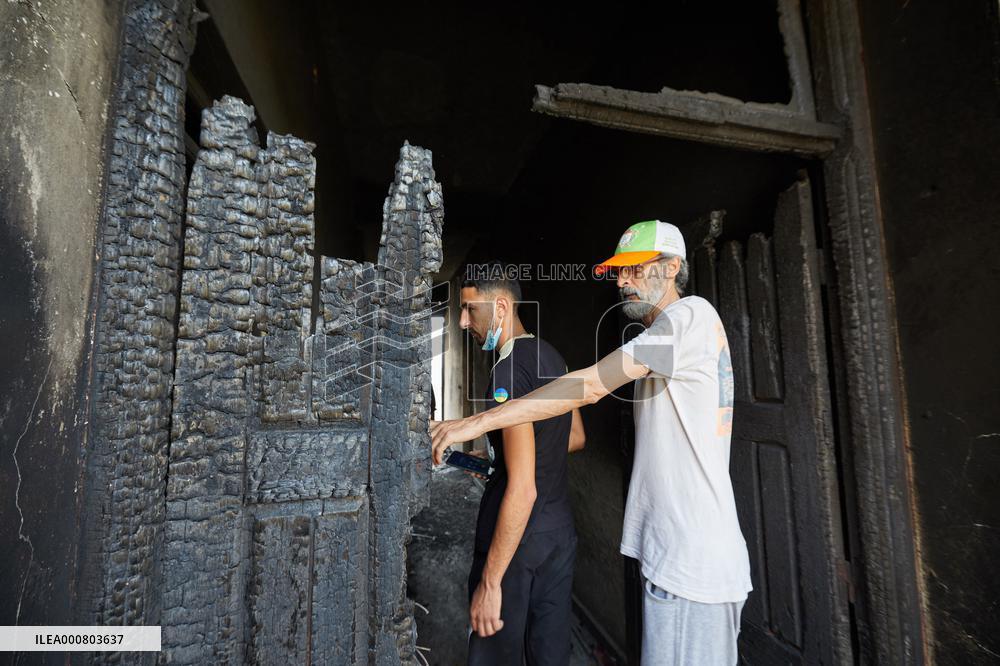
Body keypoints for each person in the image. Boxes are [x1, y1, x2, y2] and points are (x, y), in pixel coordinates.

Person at [431, 222, 751, 665]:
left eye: (633, 270)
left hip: (691, 564)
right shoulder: (658, 341)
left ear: (672, 267)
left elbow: (589, 386)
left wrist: (474, 423)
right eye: (618, 272)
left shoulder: (688, 319)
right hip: (678, 558)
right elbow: (575, 427)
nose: (620, 281)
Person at [450, 260, 585, 666]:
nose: (461, 320)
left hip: (518, 539)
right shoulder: (554, 355)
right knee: (548, 652)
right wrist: (503, 456)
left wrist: (491, 582)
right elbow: (576, 437)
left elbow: (523, 488)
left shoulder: (507, 370)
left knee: (497, 652)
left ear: (502, 308)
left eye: (470, 309)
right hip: (558, 533)